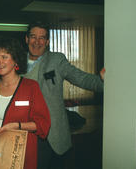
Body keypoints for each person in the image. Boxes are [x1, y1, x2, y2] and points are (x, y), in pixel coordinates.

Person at [22, 21, 104, 169]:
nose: (37, 42)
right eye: (33, 37)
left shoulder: (56, 60)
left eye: (42, 38)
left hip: (53, 137)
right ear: (26, 39)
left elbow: (81, 78)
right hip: (27, 135)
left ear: (47, 42)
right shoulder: (15, 62)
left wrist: (102, 80)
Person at [0, 36, 51, 169]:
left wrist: (16, 125)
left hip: (21, 155)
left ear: (15, 59)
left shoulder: (31, 87)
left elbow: (43, 124)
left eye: (4, 57)